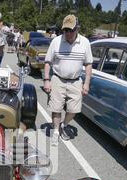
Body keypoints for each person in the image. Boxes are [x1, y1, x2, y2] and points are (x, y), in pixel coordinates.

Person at [43, 15, 93, 146]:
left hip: (76, 81)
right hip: (58, 79)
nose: (68, 33)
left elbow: (88, 64)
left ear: (77, 28)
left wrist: (87, 83)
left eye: (71, 30)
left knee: (74, 109)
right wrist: (46, 80)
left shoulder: (85, 42)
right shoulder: (56, 41)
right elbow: (48, 62)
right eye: (66, 30)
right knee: (56, 107)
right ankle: (55, 131)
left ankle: (64, 125)